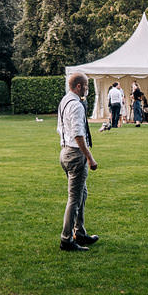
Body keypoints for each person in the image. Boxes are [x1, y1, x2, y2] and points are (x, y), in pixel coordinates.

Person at [56, 73, 98, 251]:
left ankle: (79, 233)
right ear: (79, 86)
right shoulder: (76, 105)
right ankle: (66, 239)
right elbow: (78, 134)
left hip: (65, 151)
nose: (88, 89)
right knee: (74, 199)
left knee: (82, 194)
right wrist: (89, 157)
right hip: (75, 153)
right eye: (86, 85)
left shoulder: (64, 101)